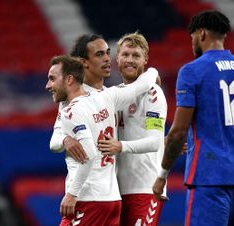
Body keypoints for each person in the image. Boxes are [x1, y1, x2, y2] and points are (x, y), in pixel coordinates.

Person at [152, 10, 234, 226]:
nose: (192, 44)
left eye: (192, 38)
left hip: (208, 178)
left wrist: (162, 174)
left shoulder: (192, 71)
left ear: (202, 34)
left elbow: (178, 132)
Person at [45, 55, 158, 225]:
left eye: (52, 79)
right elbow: (142, 84)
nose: (48, 85)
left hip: (87, 199)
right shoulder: (106, 97)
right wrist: (153, 72)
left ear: (69, 80)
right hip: (111, 199)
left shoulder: (71, 112)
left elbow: (89, 153)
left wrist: (72, 194)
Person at [98, 32, 167, 226]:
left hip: (145, 188)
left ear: (145, 59)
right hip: (115, 191)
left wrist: (120, 146)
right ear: (117, 58)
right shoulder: (114, 94)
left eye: (136, 55)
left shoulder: (153, 94)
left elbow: (154, 141)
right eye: (126, 54)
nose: (130, 60)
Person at [49, 34, 111, 162]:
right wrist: (65, 140)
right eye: (99, 54)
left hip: (111, 178)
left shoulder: (111, 94)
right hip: (86, 178)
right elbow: (54, 143)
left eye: (107, 53)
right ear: (84, 62)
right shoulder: (72, 98)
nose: (107, 59)